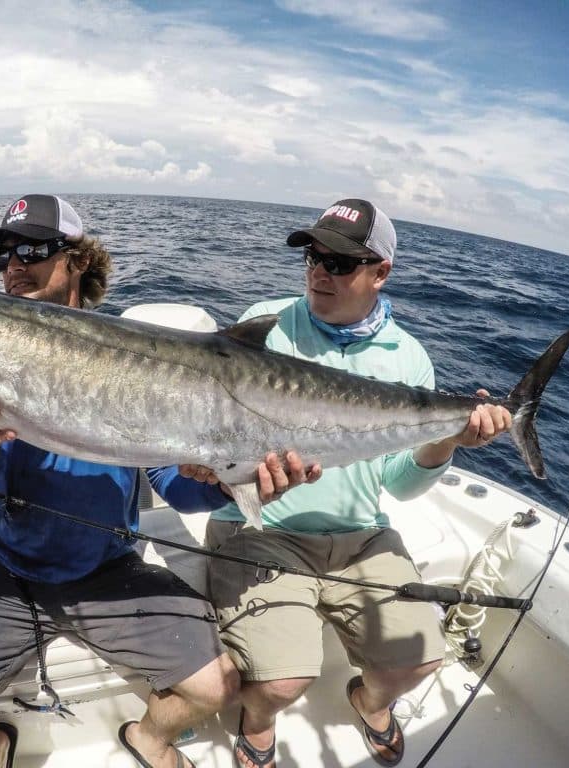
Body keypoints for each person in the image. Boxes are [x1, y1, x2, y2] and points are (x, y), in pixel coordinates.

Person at [0, 194, 319, 768]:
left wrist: (226, 482)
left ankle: (148, 738)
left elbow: (176, 484)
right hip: (2, 568)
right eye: (2, 256)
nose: (14, 264)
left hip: (107, 568)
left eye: (33, 249)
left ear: (78, 261)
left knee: (216, 687)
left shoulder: (137, 354)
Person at [205, 199, 512, 768]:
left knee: (420, 661)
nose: (321, 271)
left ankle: (368, 701)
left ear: (381, 273)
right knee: (280, 683)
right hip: (260, 529)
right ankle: (259, 720)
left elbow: (400, 485)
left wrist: (447, 440)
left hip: (361, 538)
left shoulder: (410, 358)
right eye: (313, 256)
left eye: (342, 263)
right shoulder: (266, 325)